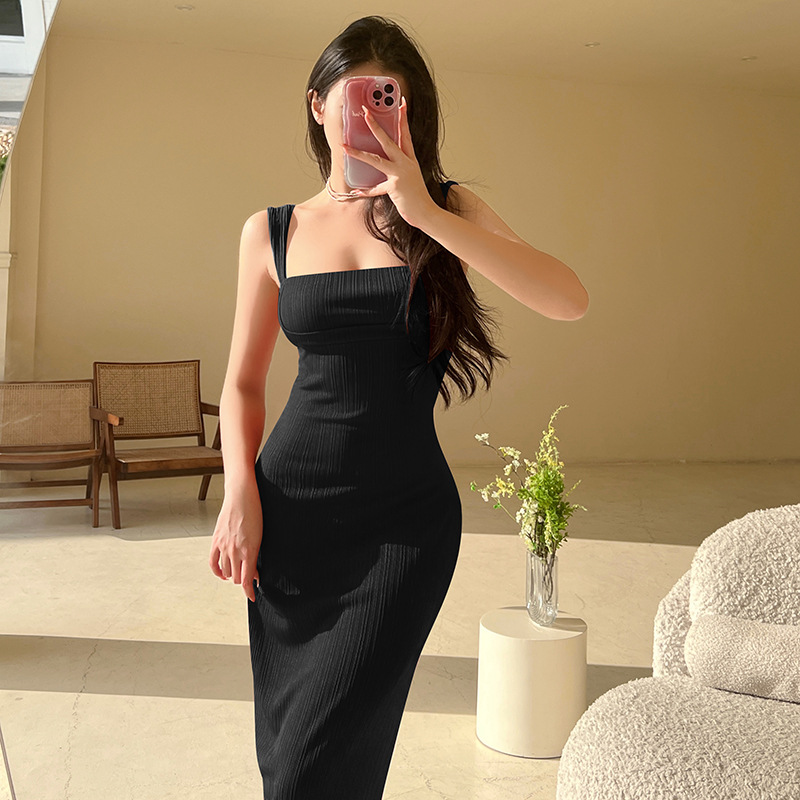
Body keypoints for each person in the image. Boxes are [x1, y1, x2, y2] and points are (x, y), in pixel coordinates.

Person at [209, 15, 588, 799]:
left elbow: (567, 299)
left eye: (390, 100)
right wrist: (239, 493)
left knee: (320, 757)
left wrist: (425, 215)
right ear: (318, 105)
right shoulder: (270, 232)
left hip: (404, 526)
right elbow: (243, 382)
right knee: (294, 760)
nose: (373, 116)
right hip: (292, 516)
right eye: (357, 98)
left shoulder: (445, 209)